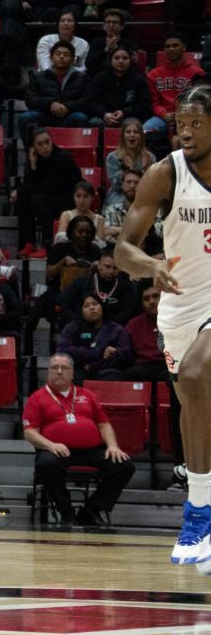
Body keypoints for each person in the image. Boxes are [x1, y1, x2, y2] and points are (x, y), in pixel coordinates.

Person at [115, 84, 211, 564]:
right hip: (178, 304)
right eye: (181, 124)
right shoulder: (164, 172)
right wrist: (152, 267)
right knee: (195, 405)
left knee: (196, 376)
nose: (187, 132)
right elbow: (122, 249)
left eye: (197, 123)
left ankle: (197, 513)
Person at [23, 353, 136, 526]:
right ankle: (66, 512)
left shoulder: (88, 395)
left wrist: (112, 445)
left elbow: (104, 424)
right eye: (54, 368)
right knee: (45, 464)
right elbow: (30, 432)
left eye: (64, 368)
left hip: (91, 450)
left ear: (72, 373)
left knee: (124, 465)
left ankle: (91, 510)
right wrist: (50, 445)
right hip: (56, 450)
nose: (59, 372)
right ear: (48, 372)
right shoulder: (37, 398)